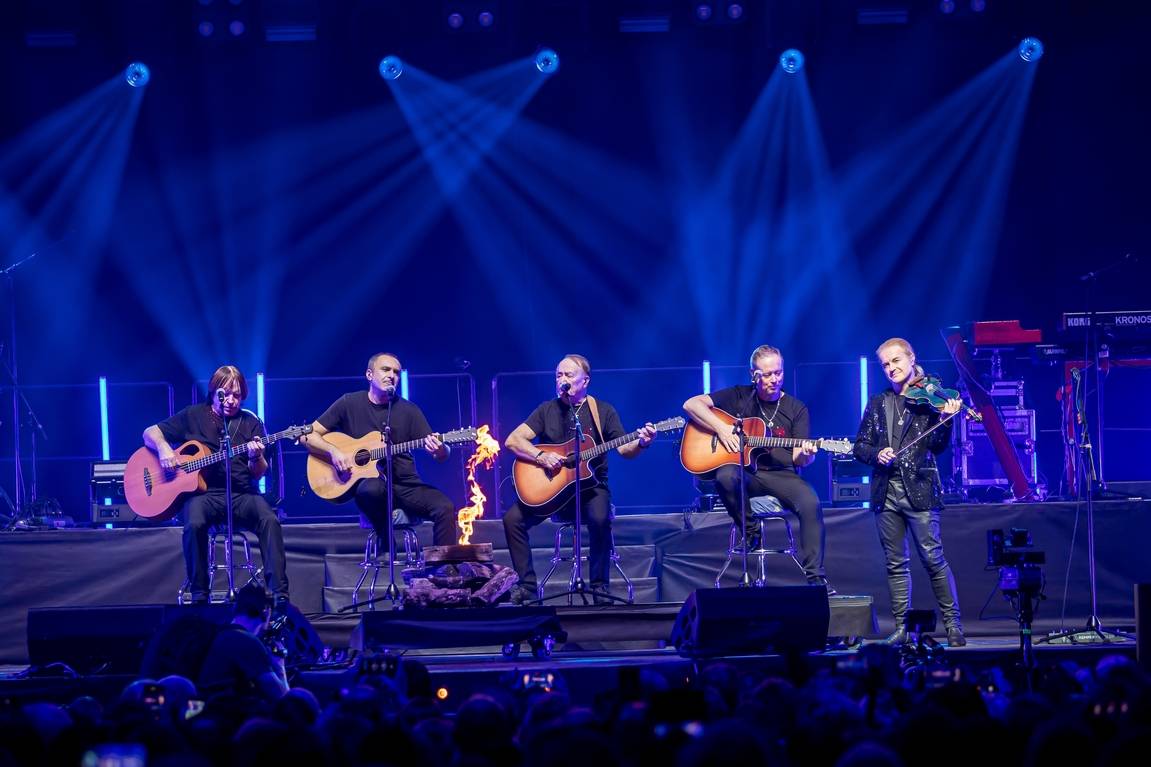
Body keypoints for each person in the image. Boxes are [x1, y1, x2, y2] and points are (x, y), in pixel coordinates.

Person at [503, 354, 657, 604]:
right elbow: (513, 440)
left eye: (569, 375)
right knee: (512, 520)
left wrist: (641, 442)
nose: (562, 380)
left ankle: (599, 587)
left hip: (592, 488)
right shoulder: (546, 410)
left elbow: (624, 451)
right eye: (558, 375)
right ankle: (527, 587)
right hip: (554, 489)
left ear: (585, 381)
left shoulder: (602, 411)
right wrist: (541, 456)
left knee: (599, 518)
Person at [683, 344, 833, 594]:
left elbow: (799, 459)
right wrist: (721, 429)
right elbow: (691, 405)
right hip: (748, 473)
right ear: (754, 375)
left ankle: (816, 578)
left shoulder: (796, 409)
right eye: (767, 374)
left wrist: (807, 454)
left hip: (781, 474)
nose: (775, 379)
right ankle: (750, 531)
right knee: (726, 475)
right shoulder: (739, 397)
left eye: (778, 373)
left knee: (810, 503)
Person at [143, 365, 289, 607]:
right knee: (194, 522)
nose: (231, 400)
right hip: (203, 494)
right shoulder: (193, 415)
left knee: (269, 520)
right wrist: (164, 449)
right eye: (225, 394)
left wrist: (255, 457)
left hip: (242, 494)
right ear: (213, 392)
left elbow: (259, 472)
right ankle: (200, 595)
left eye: (237, 395)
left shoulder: (252, 423)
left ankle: (279, 595)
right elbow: (150, 432)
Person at [853, 337, 965, 646]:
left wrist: (944, 420)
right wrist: (877, 453)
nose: (891, 368)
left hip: (919, 487)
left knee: (932, 558)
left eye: (896, 361)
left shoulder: (930, 397)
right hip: (886, 491)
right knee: (895, 563)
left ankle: (954, 626)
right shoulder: (878, 403)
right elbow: (859, 446)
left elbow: (938, 446)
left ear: (911, 358)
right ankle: (902, 628)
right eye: (886, 365)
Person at [301, 352, 457, 546]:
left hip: (406, 485)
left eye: (396, 372)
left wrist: (440, 448)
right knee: (369, 488)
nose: (392, 375)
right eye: (385, 369)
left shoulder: (409, 410)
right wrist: (334, 451)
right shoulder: (349, 403)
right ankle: (386, 541)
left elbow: (441, 455)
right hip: (372, 487)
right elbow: (308, 435)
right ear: (369, 375)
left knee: (445, 507)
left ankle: (444, 570)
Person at [198, 582, 289, 703]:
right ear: (266, 611)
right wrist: (279, 665)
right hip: (229, 716)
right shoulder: (248, 642)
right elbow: (282, 697)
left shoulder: (221, 633)